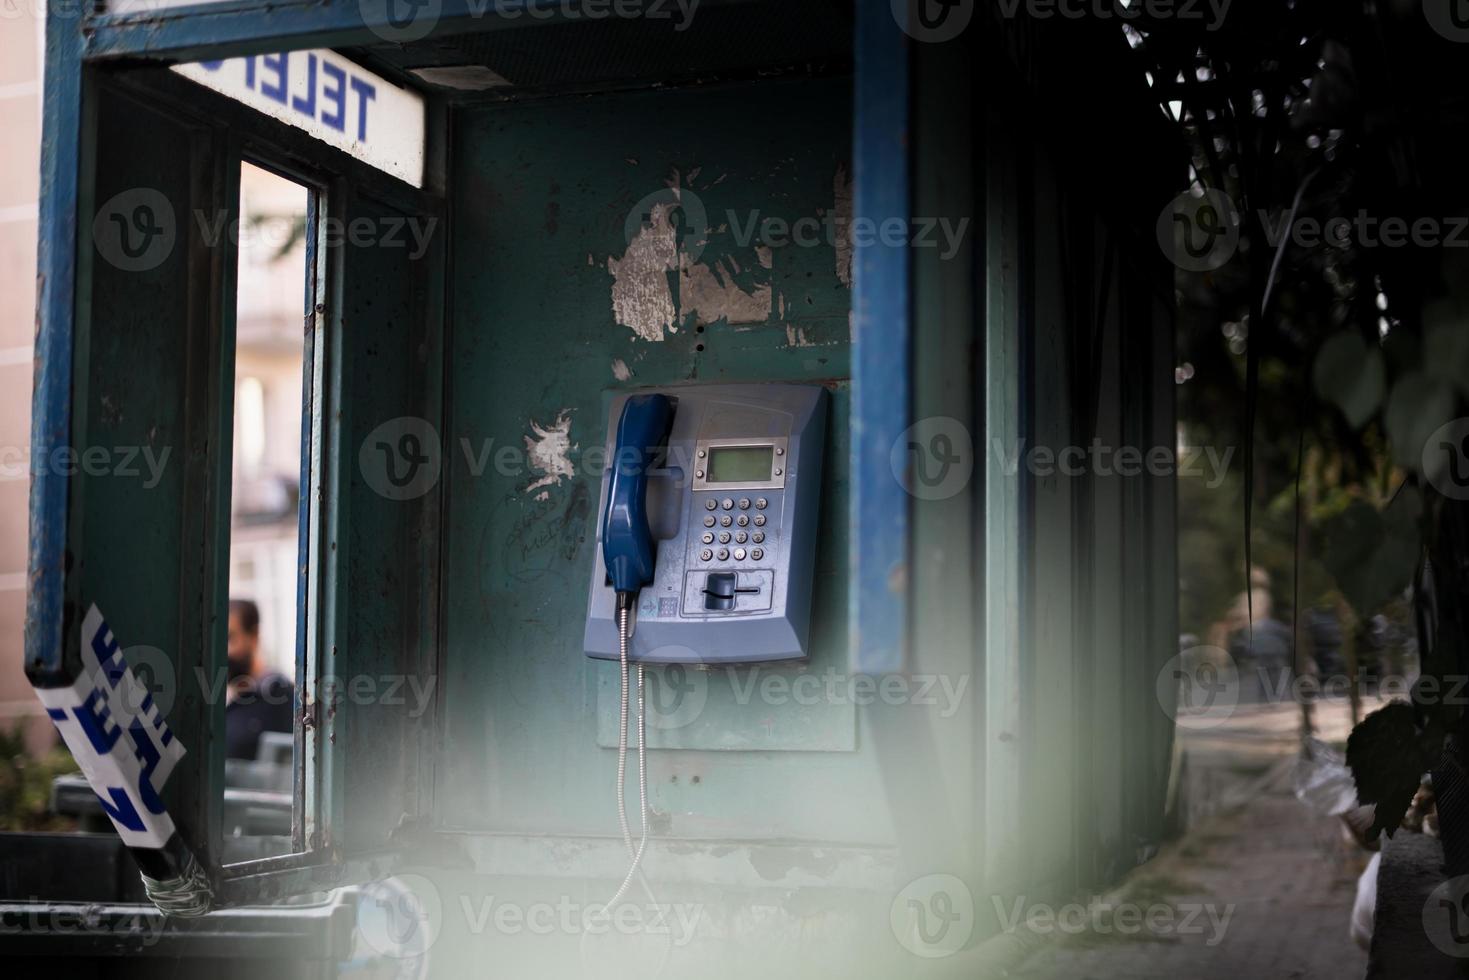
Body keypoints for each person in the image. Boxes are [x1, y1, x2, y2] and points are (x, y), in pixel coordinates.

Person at [224, 598, 295, 760]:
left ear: (254, 636)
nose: (222, 650)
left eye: (229, 638)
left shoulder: (280, 697)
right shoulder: (212, 698)